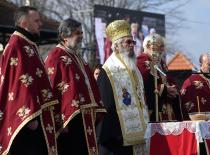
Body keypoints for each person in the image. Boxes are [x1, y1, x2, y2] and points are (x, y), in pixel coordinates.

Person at [0, 6, 58, 155]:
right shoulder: (16, 45)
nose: (40, 24)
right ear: (25, 22)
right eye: (36, 20)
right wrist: (29, 116)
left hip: (35, 116)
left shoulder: (26, 44)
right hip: (27, 120)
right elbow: (19, 83)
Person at [44, 18, 105, 155]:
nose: (81, 36)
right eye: (78, 33)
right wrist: (58, 121)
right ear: (65, 36)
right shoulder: (55, 57)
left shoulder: (77, 56)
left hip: (85, 118)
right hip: (69, 121)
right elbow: (50, 90)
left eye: (82, 33)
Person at [97, 20, 149, 155]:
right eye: (128, 42)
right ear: (116, 46)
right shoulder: (108, 71)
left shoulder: (135, 69)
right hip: (117, 137)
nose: (132, 45)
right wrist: (116, 135)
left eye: (133, 42)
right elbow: (106, 106)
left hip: (140, 134)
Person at [136, 34, 182, 122]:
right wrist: (164, 89)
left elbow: (169, 80)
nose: (162, 50)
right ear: (149, 46)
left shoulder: (161, 62)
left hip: (169, 110)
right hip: (154, 111)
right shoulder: (141, 62)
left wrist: (173, 89)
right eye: (160, 46)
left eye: (163, 47)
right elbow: (144, 86)